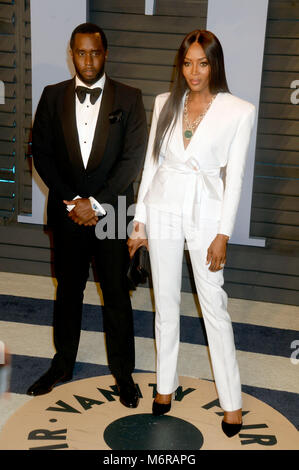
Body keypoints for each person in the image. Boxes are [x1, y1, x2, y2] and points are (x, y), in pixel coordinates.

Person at [128, 29, 255, 436]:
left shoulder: (239, 110)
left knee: (213, 306)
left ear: (214, 63)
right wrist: (139, 223)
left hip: (207, 215)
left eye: (202, 63)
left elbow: (233, 178)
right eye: (187, 63)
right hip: (162, 207)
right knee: (164, 302)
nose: (194, 71)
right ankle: (164, 386)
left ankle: (231, 402)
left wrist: (224, 233)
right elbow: (152, 165)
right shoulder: (166, 102)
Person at [27, 23, 148, 409]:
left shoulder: (129, 98)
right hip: (67, 213)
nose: (88, 60)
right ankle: (61, 365)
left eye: (95, 52)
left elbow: (132, 161)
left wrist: (94, 203)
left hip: (111, 213)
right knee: (68, 292)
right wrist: (71, 200)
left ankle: (124, 374)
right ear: (71, 54)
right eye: (81, 53)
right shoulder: (51, 96)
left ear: (105, 53)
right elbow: (40, 153)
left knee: (116, 295)